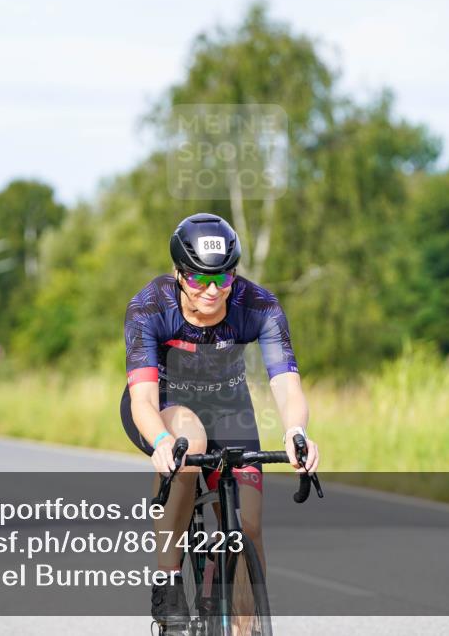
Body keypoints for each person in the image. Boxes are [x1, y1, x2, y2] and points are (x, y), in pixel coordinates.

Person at [120, 213, 320, 628]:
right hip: (165, 405)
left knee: (248, 523)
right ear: (178, 274)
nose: (211, 291)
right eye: (197, 280)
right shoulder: (149, 306)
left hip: (228, 406)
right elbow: (142, 399)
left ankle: (234, 612)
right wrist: (160, 440)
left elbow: (286, 384)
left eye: (222, 279)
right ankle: (168, 579)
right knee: (188, 444)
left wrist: (296, 432)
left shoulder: (259, 305)